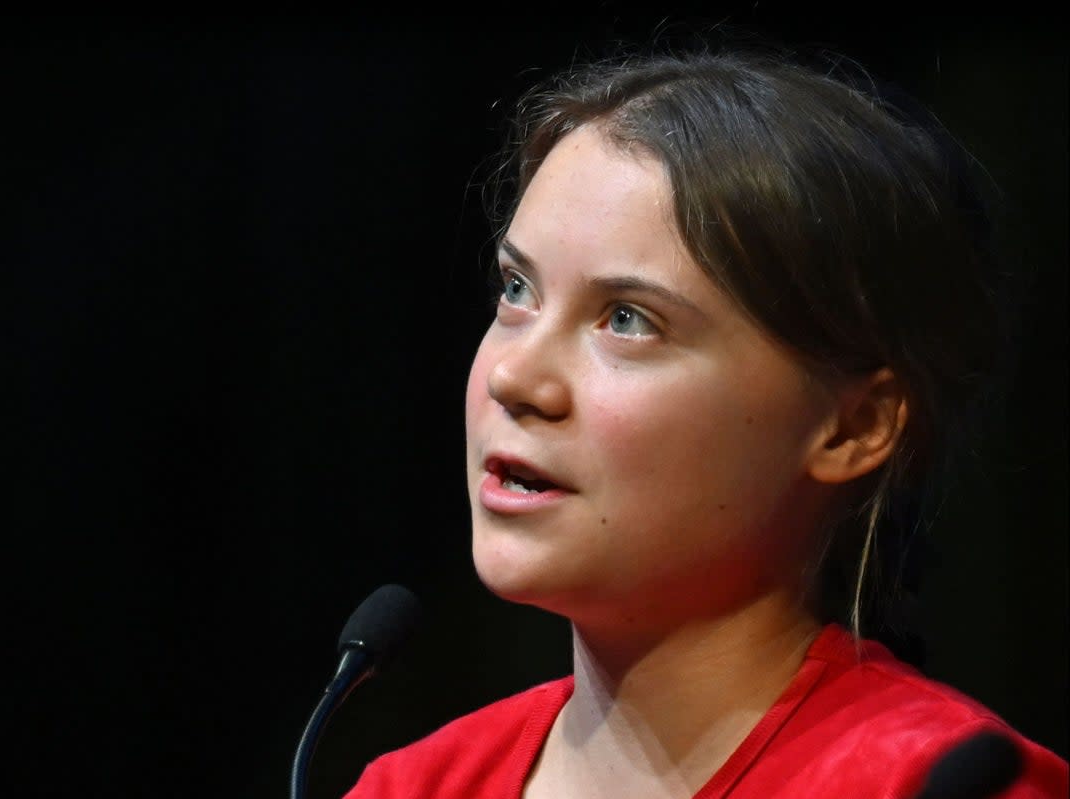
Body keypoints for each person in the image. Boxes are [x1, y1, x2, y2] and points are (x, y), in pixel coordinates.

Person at [343, 42, 1069, 798]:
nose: (513, 377)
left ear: (853, 427)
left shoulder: (927, 781)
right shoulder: (414, 784)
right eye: (518, 289)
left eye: (626, 319)